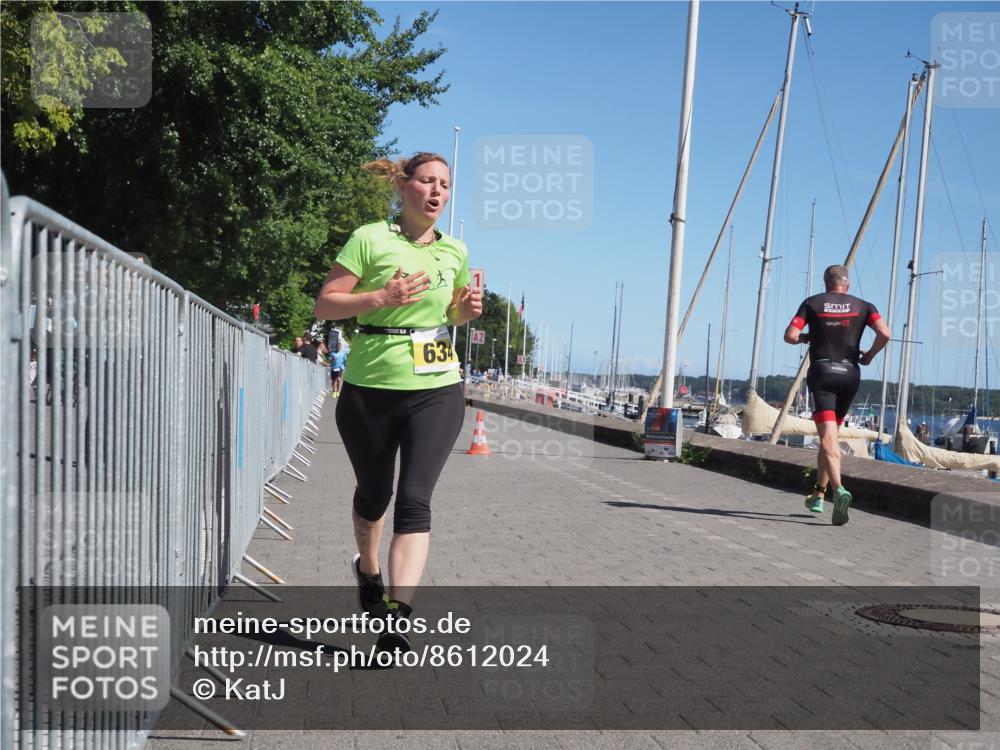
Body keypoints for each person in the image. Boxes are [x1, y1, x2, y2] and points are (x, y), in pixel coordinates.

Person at [314, 152, 482, 652]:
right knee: (374, 496)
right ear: (404, 186)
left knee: (414, 499)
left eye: (445, 184)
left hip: (437, 387)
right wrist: (379, 298)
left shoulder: (455, 250)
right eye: (428, 181)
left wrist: (465, 311)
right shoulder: (370, 238)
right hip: (370, 387)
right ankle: (368, 569)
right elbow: (326, 303)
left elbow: (450, 313)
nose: (437, 192)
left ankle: (396, 617)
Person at [784, 264, 890, 526]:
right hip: (850, 375)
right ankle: (818, 495)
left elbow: (791, 336)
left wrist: (808, 338)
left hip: (823, 373)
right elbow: (885, 333)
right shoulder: (865, 306)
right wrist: (870, 355)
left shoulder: (812, 303)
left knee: (828, 438)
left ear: (826, 283)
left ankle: (839, 489)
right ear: (847, 284)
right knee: (829, 438)